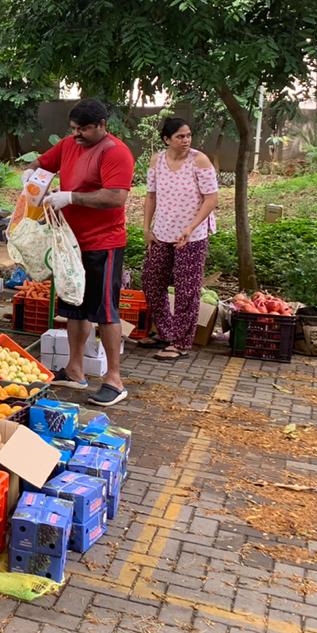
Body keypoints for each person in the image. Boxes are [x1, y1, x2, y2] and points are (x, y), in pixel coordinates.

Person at [24, 99, 135, 407]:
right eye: (73, 129)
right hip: (70, 243)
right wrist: (30, 177)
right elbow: (41, 164)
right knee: (75, 305)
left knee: (105, 311)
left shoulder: (116, 152)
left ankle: (114, 378)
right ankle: (75, 369)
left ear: (102, 126)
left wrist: (71, 197)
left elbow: (115, 197)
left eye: (84, 129)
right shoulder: (69, 144)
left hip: (104, 242)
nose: (77, 135)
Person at [140, 117, 219, 360]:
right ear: (166, 140)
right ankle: (165, 332)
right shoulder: (157, 161)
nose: (186, 140)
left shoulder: (199, 160)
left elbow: (211, 199)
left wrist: (191, 227)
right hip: (162, 232)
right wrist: (146, 228)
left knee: (187, 289)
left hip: (191, 236)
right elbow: (151, 196)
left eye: (188, 135)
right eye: (180, 136)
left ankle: (182, 343)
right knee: (151, 281)